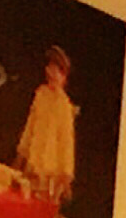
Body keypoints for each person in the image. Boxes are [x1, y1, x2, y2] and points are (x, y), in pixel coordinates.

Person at [15, 45, 79, 208]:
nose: (52, 73)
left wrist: (65, 177)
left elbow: (66, 143)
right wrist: (20, 156)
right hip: (32, 167)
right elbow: (30, 128)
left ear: (64, 76)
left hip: (50, 174)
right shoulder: (41, 95)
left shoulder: (64, 106)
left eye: (57, 70)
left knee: (43, 209)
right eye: (50, 68)